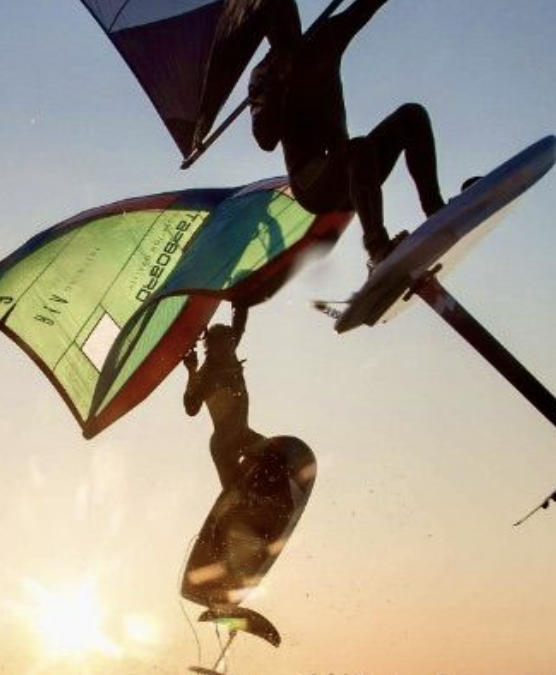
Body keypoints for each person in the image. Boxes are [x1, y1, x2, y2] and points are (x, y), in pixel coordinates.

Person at [199, 0, 449, 270]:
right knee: (357, 150)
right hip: (314, 185)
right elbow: (266, 141)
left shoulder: (325, 38)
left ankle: (435, 210)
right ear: (266, 30)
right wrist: (277, 85)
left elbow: (363, 8)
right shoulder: (263, 74)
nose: (284, 24)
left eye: (287, 13)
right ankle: (377, 249)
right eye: (275, 20)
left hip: (356, 171)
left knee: (412, 116)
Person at [183, 306, 266, 490]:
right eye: (223, 347)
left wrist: (241, 296)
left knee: (277, 457)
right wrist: (191, 372)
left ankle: (268, 496)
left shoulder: (229, 352)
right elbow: (191, 409)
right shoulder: (208, 375)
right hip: (223, 446)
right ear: (212, 349)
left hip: (244, 435)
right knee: (237, 491)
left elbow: (240, 319)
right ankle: (240, 506)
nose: (229, 350)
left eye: (230, 345)